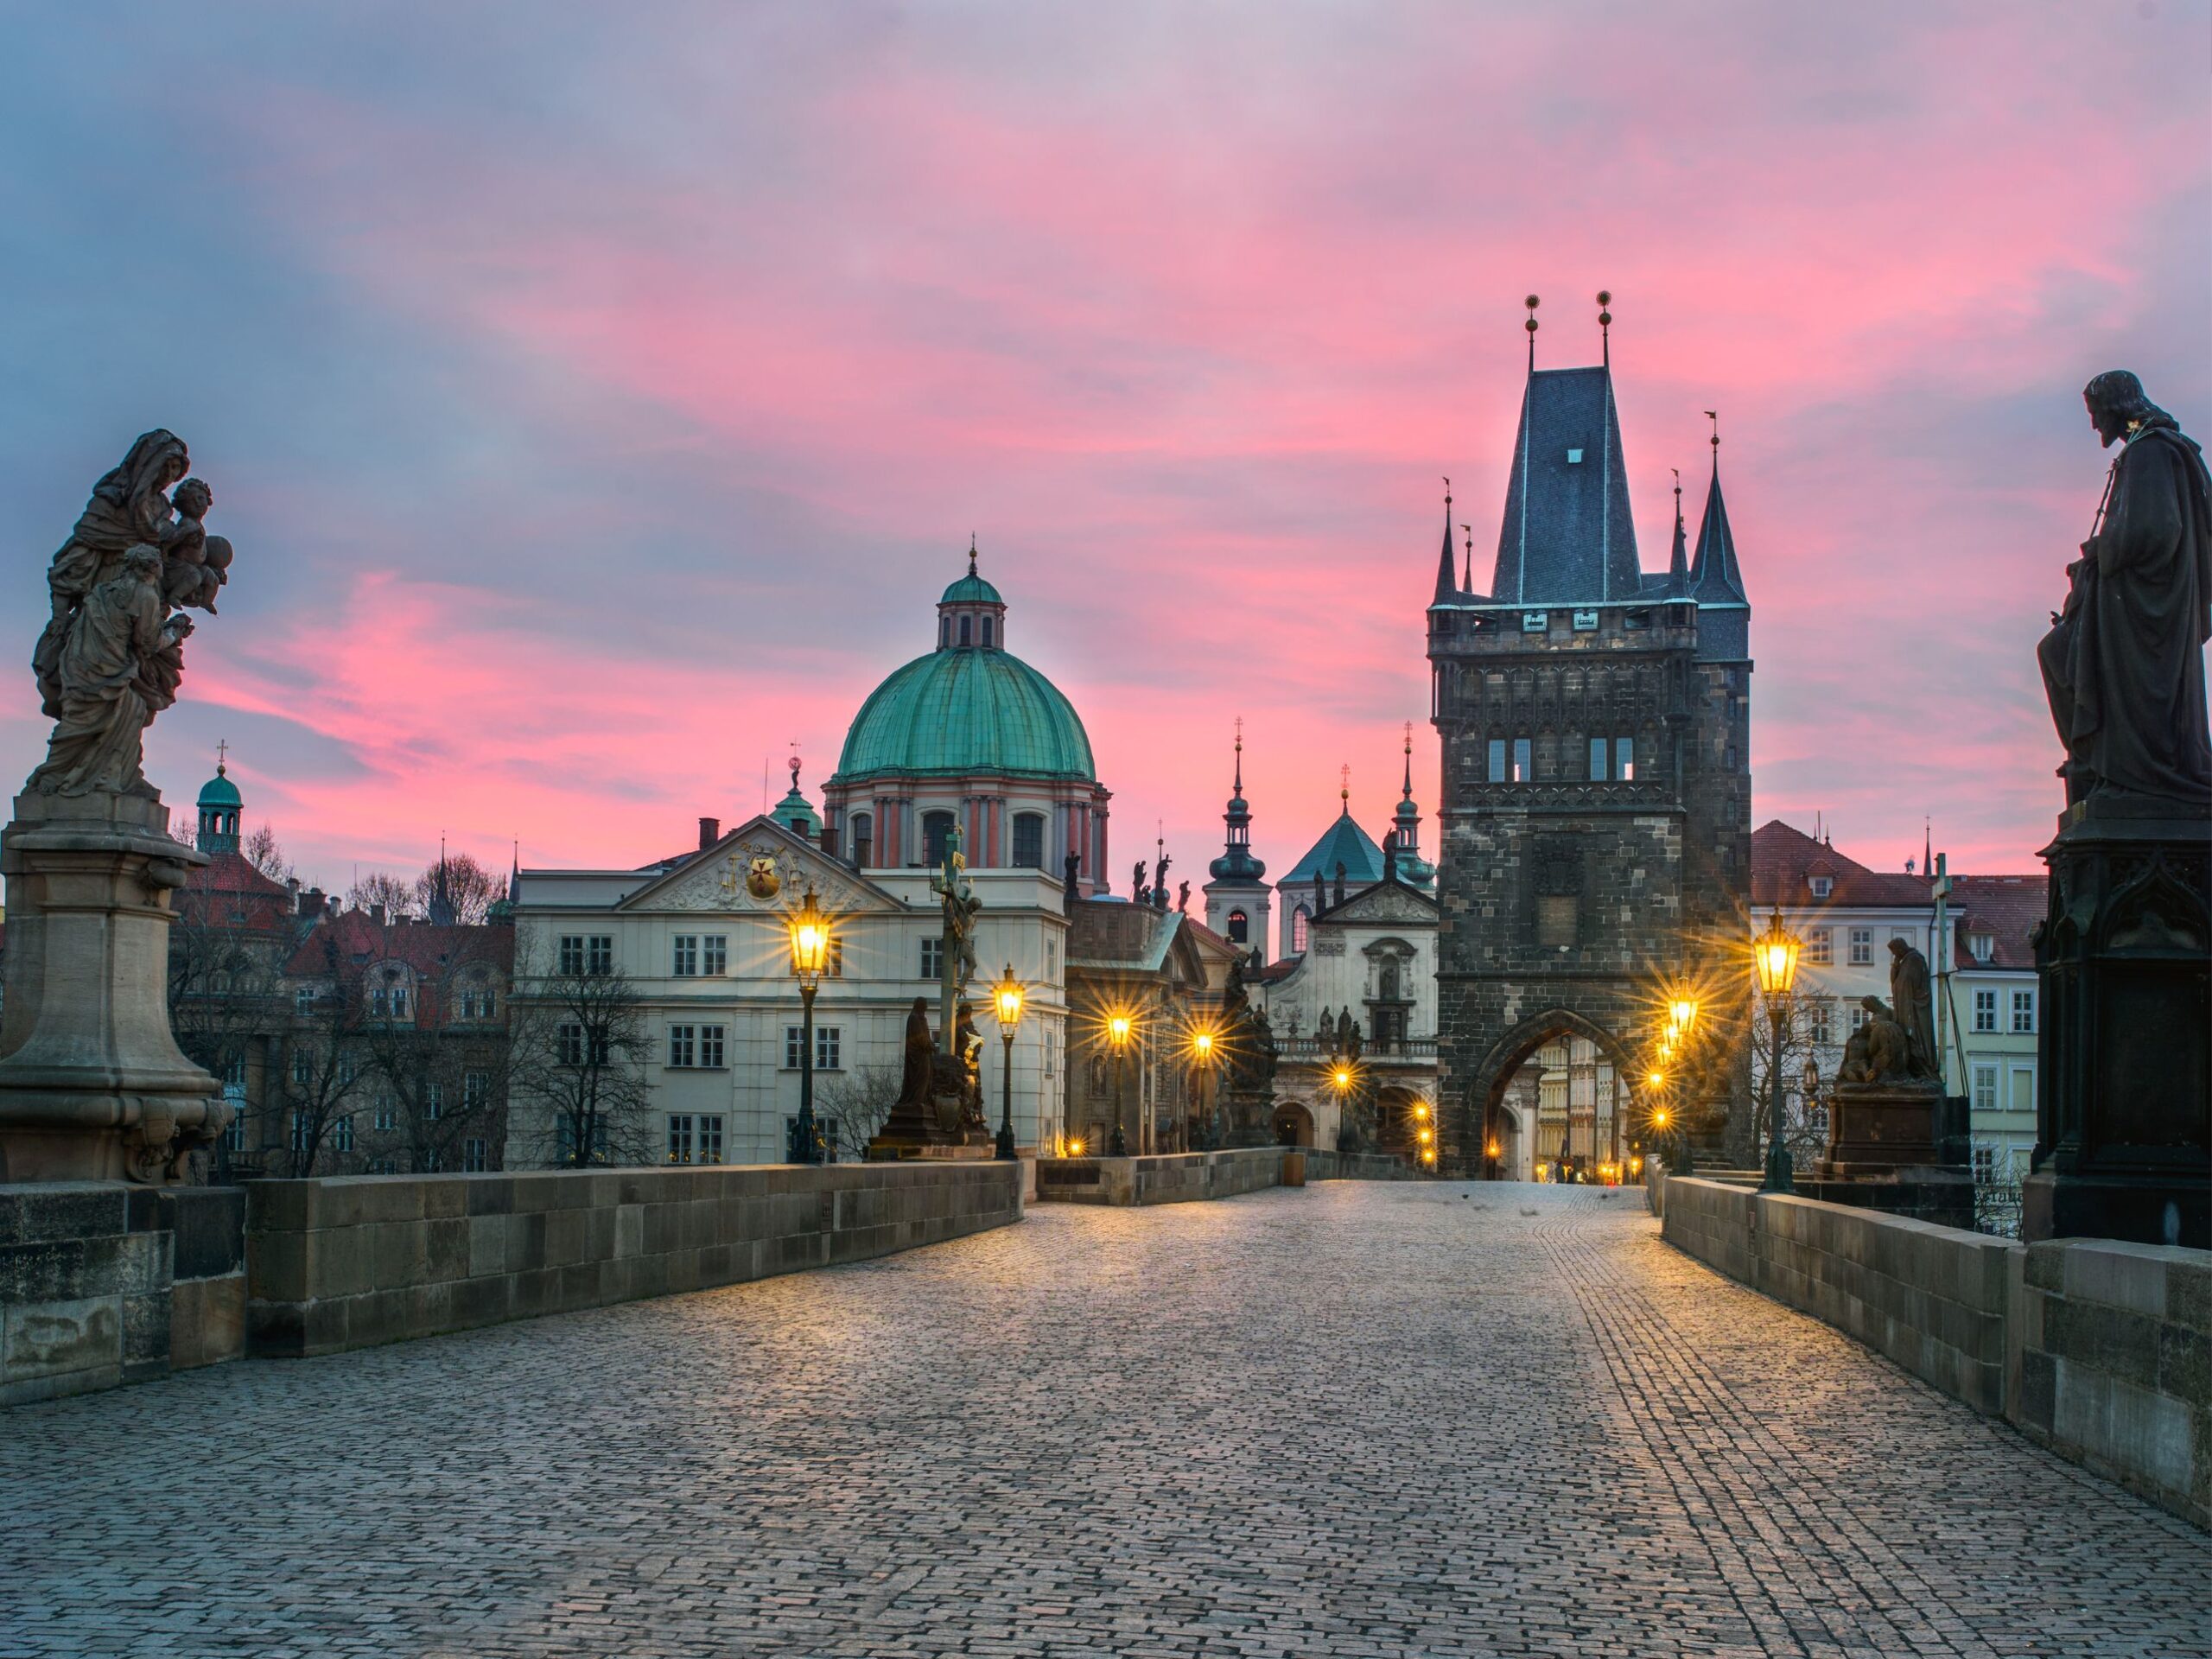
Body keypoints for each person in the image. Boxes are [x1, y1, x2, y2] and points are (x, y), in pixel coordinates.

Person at [2037, 371, 2212, 808]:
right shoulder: (2146, 449)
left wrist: (2101, 550)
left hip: (2143, 607)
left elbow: (2156, 530)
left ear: (2116, 408)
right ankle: (2094, 762)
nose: (2095, 425)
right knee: (2057, 650)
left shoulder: (2150, 451)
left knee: (2059, 651)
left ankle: (2111, 766)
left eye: (2096, 414)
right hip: (2131, 598)